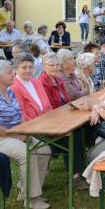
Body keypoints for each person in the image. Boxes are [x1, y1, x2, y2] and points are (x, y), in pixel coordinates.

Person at [0, 60, 52, 209]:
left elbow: (19, 116)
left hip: (8, 135)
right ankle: (31, 199)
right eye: (9, 72)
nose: (14, 73)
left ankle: (26, 189)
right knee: (27, 153)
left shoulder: (9, 92)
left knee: (44, 149)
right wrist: (13, 135)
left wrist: (23, 131)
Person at [38, 52, 86, 188]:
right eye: (51, 65)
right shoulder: (41, 83)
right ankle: (74, 177)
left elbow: (66, 101)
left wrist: (74, 106)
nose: (54, 67)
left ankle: (80, 173)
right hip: (49, 124)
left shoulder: (58, 80)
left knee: (79, 132)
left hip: (62, 119)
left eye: (57, 64)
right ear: (44, 66)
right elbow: (47, 108)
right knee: (72, 137)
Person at [10, 53, 53, 121]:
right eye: (24, 67)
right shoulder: (14, 87)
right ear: (15, 69)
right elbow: (22, 115)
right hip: (31, 127)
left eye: (30, 67)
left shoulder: (37, 82)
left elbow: (48, 106)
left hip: (47, 121)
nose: (28, 70)